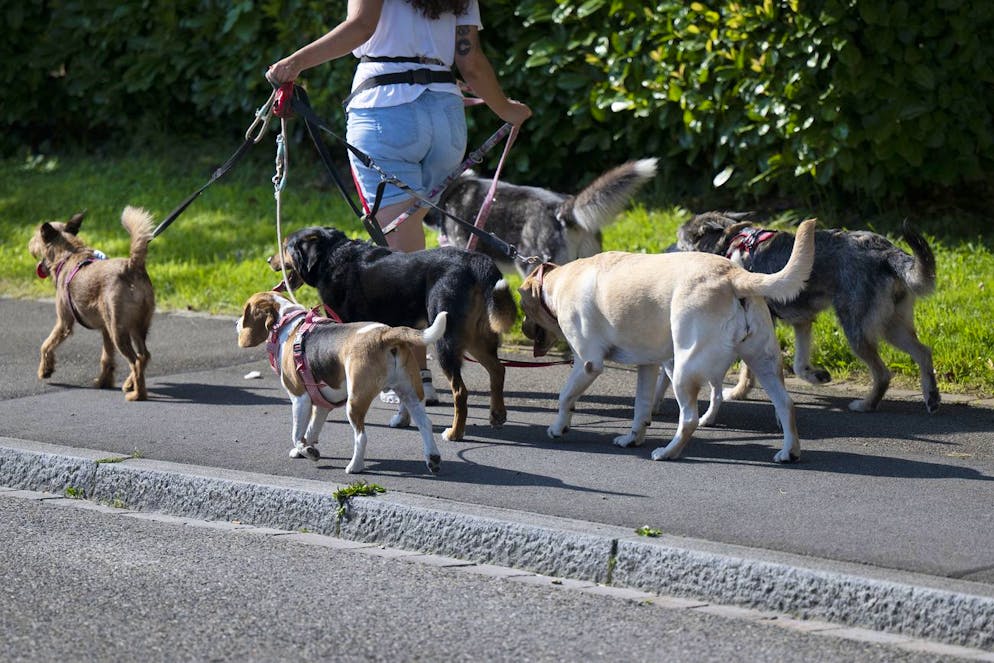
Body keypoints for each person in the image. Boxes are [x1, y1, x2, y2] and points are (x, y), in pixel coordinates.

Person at [268, 0, 531, 403]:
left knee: (402, 255)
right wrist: (506, 109)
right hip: (445, 117)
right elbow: (470, 59)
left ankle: (415, 377)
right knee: (410, 247)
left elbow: (360, 26)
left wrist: (293, 64)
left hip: (385, 111)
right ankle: (433, 354)